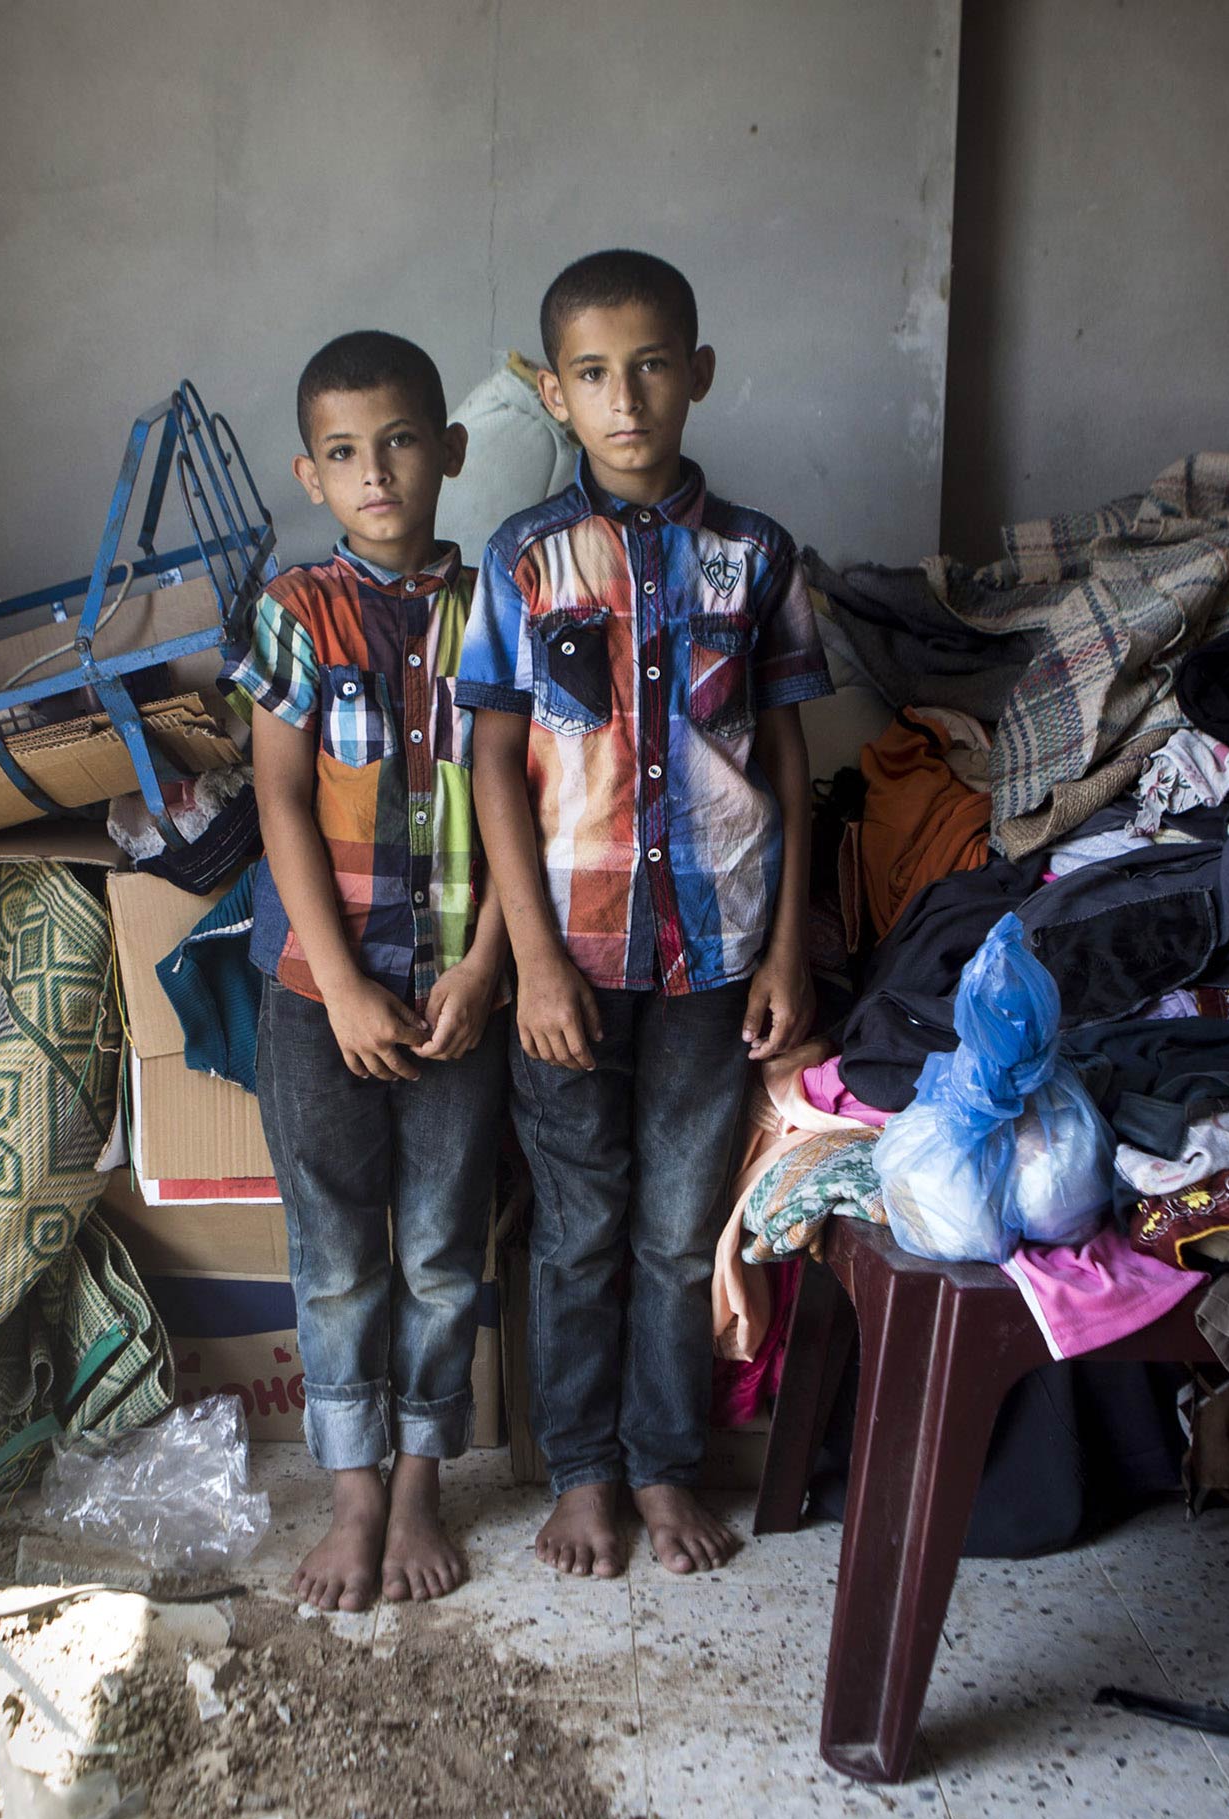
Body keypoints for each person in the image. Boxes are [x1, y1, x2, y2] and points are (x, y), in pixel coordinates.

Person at [457, 250, 833, 1576]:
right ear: (556, 395)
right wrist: (535, 964)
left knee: (679, 1225)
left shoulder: (757, 556)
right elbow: (493, 763)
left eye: (654, 365)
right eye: (597, 374)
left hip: (714, 954)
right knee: (579, 1226)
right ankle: (582, 1473)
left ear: (699, 375)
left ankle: (668, 1466)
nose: (629, 397)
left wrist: (788, 943)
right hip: (570, 957)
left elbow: (787, 756)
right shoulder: (523, 560)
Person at [222, 330, 510, 1612]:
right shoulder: (296, 610)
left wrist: (492, 968)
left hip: (460, 989)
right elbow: (280, 801)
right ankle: (349, 1493)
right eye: (345, 452)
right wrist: (338, 983)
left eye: (400, 441)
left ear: (449, 450)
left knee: (445, 1250)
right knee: (335, 1248)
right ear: (311, 472)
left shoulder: (499, 604)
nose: (377, 471)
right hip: (314, 993)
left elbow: (534, 805)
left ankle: (421, 1482)